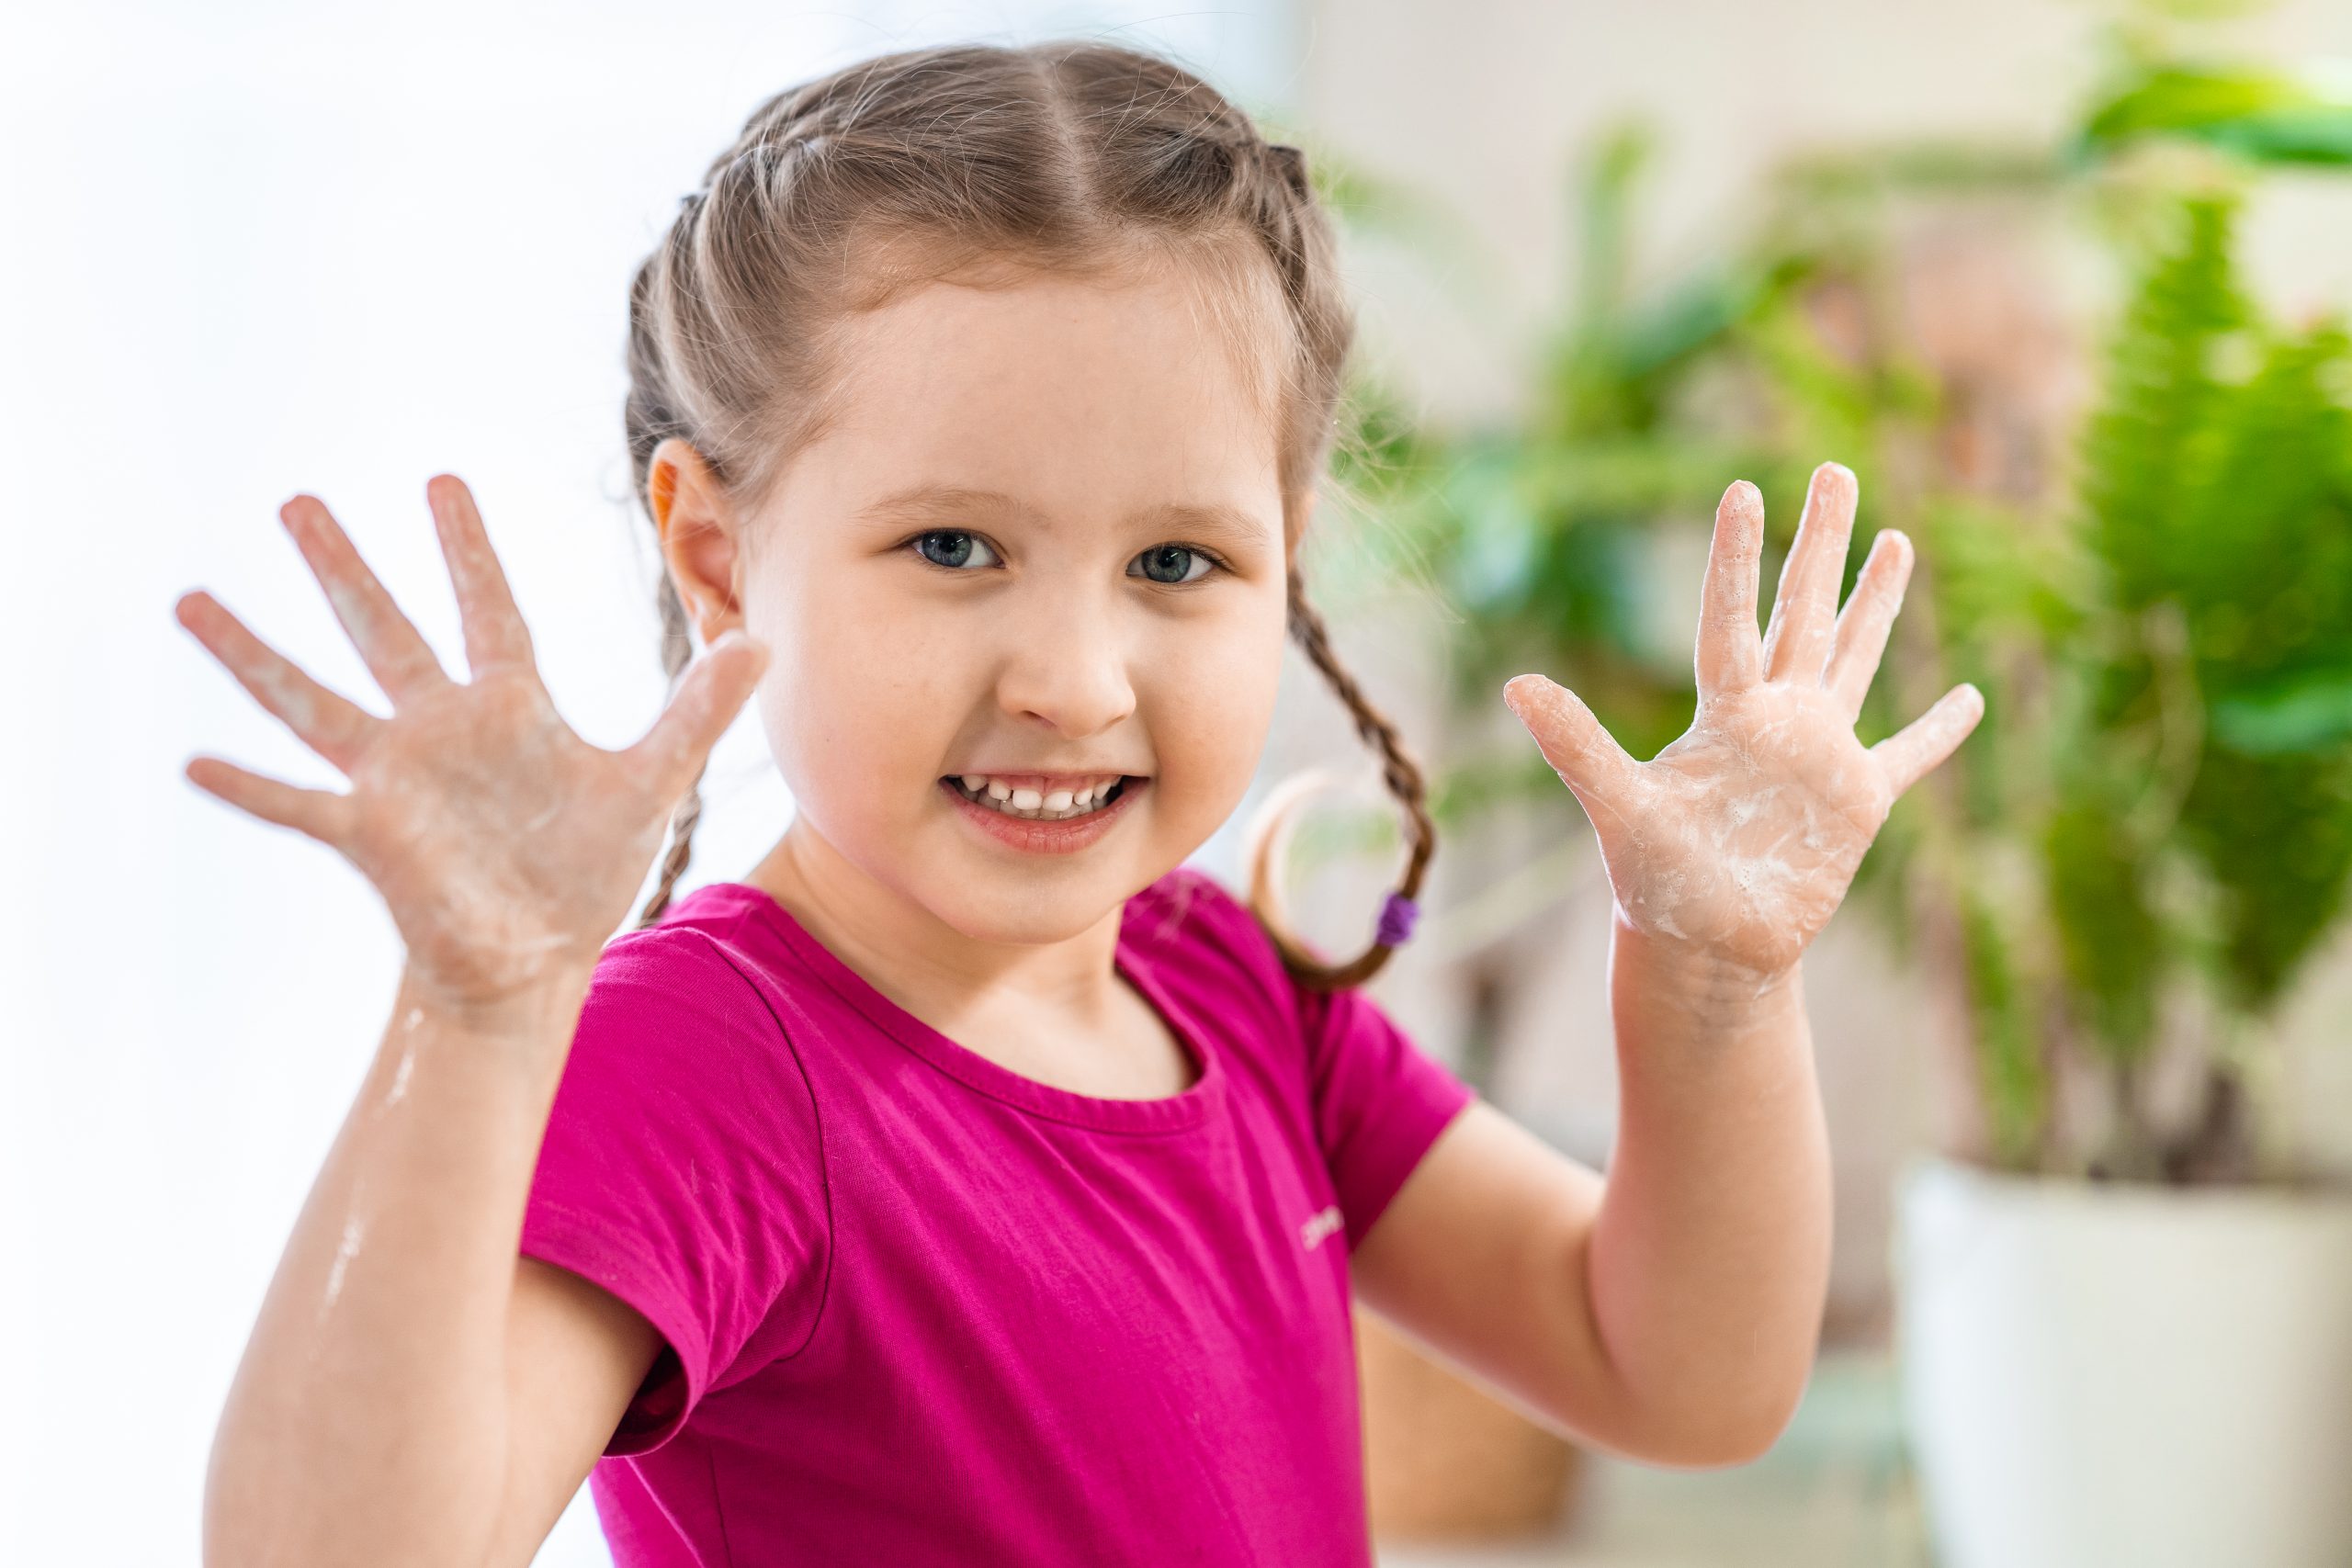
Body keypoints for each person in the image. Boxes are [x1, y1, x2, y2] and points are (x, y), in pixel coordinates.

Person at [180, 37, 1984, 1568]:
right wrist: (476, 1012)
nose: (1070, 673)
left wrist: (1713, 986)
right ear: (720, 561)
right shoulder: (708, 1063)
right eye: (951, 544)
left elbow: (1669, 1365)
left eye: (1176, 559)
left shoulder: (1233, 989)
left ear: (1287, 562)